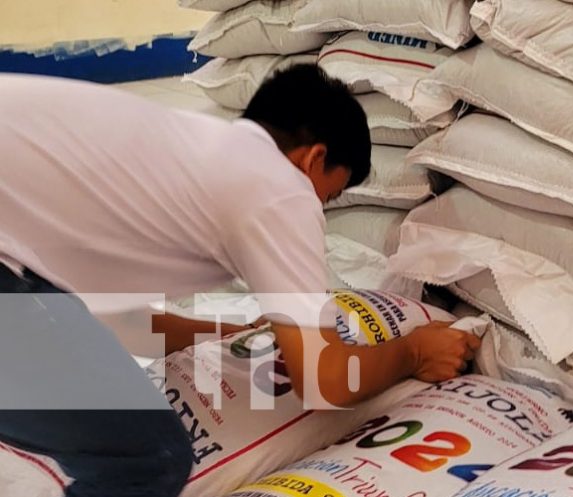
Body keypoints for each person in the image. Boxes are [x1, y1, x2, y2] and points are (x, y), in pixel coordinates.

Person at [0, 65, 481, 497]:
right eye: (329, 197)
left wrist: (233, 340)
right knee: (147, 460)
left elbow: (122, 323)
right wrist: (412, 352)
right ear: (313, 159)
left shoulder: (192, 155)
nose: (318, 212)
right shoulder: (277, 186)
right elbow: (324, 381)